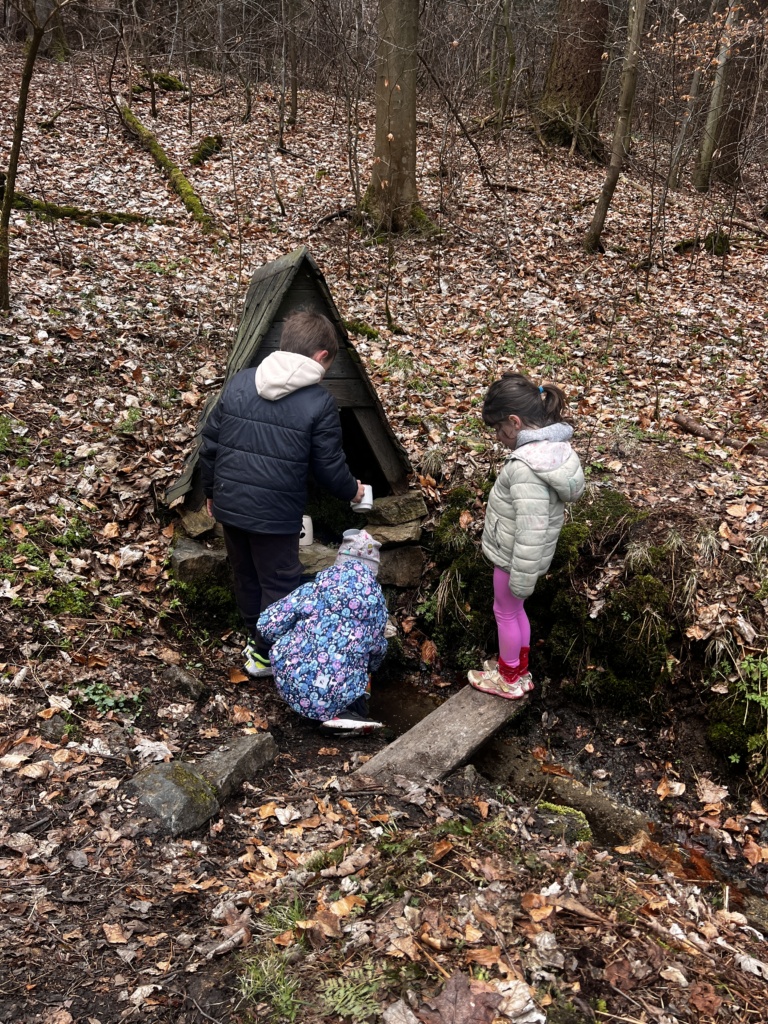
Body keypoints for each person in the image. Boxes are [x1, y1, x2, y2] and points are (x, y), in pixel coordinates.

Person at [199, 311, 367, 679]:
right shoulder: (319, 402)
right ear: (322, 356)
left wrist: (210, 492)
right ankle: (264, 654)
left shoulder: (240, 382)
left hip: (229, 503)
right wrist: (354, 491)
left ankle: (254, 637)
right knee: (280, 582)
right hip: (275, 515)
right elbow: (328, 468)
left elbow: (210, 444)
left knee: (245, 573)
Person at [468, 372, 585, 699]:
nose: (496, 436)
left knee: (505, 611)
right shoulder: (553, 451)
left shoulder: (525, 466)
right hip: (523, 558)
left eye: (497, 428)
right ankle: (518, 671)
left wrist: (520, 576)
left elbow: (531, 528)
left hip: (513, 558)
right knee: (516, 611)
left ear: (515, 422)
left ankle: (507, 679)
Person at [257, 530, 387, 733]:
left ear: (339, 562)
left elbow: (267, 625)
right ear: (373, 572)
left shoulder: (313, 590)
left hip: (294, 683)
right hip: (342, 690)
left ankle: (318, 709)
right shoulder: (377, 608)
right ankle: (342, 713)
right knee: (360, 662)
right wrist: (370, 666)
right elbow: (377, 649)